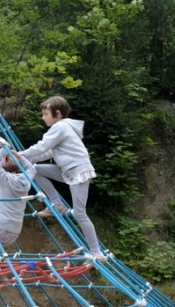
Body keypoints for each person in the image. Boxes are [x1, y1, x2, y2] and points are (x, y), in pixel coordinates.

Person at [11, 95, 106, 261]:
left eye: (45, 114)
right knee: (36, 170)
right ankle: (57, 203)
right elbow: (47, 152)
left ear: (57, 113)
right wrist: (25, 160)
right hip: (67, 171)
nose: (43, 118)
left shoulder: (60, 127)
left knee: (80, 213)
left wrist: (20, 155)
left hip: (78, 172)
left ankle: (96, 251)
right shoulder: (63, 128)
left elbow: (42, 146)